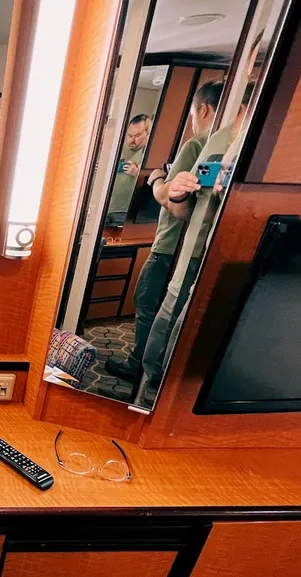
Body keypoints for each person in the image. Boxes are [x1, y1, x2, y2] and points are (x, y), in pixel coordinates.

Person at [106, 81, 223, 383]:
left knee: (147, 304)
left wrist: (157, 178)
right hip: (202, 250)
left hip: (170, 246)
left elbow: (171, 201)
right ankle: (158, 372)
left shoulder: (197, 145)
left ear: (202, 109)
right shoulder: (231, 148)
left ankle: (139, 369)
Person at [141, 85, 254, 390]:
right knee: (164, 336)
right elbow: (194, 210)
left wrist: (158, 182)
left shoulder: (265, 147)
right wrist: (178, 195)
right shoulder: (214, 145)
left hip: (236, 261)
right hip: (193, 252)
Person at [105, 114, 151, 225]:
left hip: (126, 213)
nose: (132, 140)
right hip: (106, 209)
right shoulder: (118, 148)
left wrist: (137, 173)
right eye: (130, 136)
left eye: (137, 135)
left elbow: (157, 181)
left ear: (148, 134)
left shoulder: (150, 153)